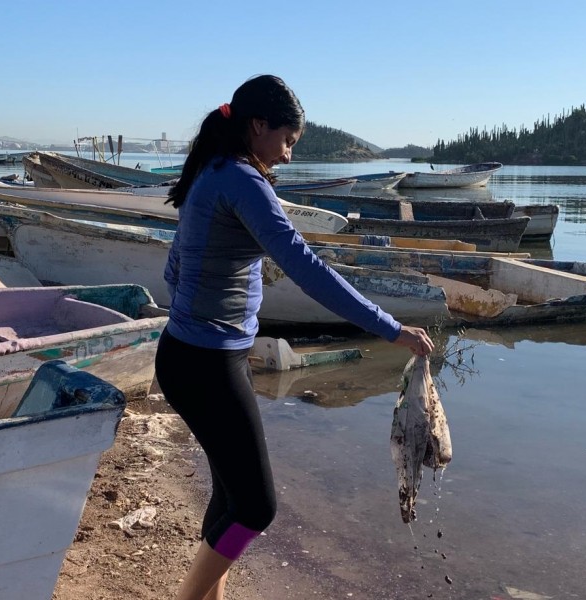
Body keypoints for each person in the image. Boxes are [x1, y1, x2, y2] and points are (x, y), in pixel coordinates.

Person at [155, 74, 434, 600]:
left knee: (230, 497)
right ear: (257, 127)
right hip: (205, 362)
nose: (286, 155)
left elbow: (176, 268)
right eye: (287, 141)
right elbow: (307, 268)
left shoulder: (213, 171)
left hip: (198, 355)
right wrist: (389, 328)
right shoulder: (241, 179)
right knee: (256, 507)